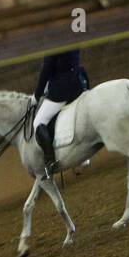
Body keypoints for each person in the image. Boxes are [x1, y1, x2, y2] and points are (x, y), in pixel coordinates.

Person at [32, 49, 86, 178]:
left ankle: (50, 162)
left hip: (62, 91)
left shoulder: (52, 46)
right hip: (78, 83)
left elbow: (45, 72)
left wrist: (36, 95)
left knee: (38, 123)